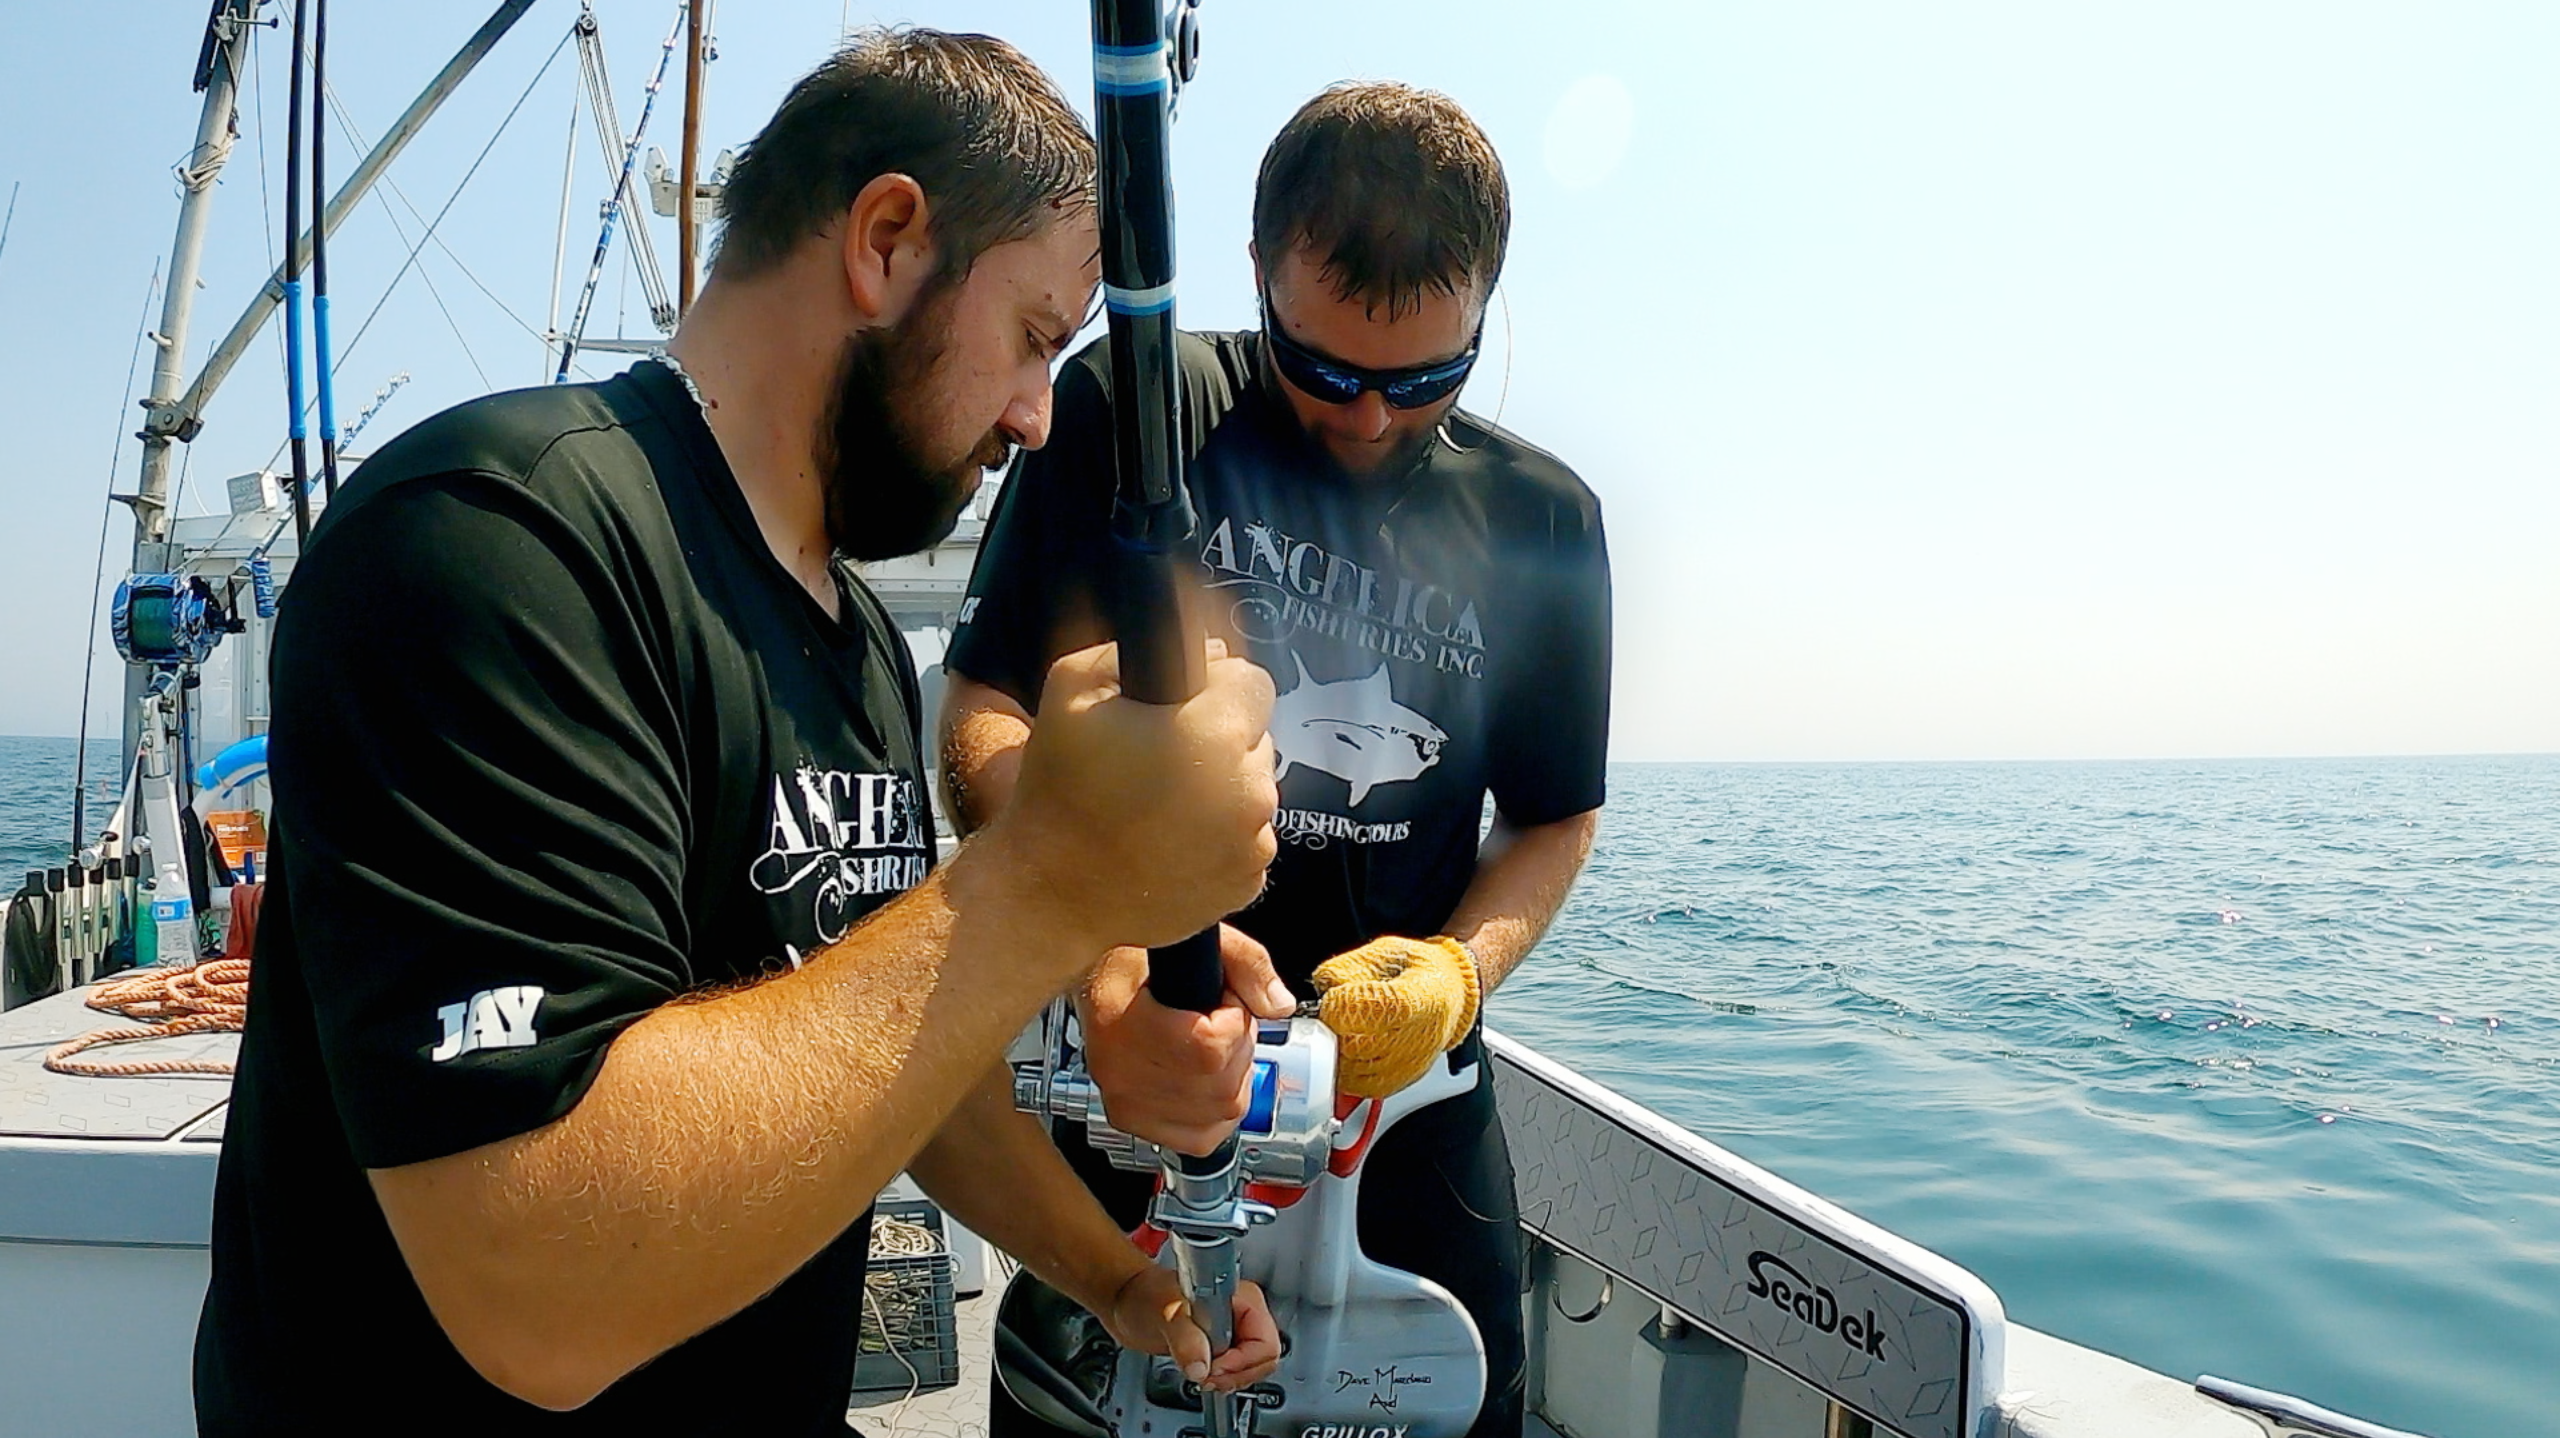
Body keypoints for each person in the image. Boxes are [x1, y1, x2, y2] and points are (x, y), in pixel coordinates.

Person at [194, 31, 1286, 1436]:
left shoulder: (861, 644)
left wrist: (1119, 1281)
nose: (1035, 417)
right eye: (1031, 338)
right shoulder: (493, 540)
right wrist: (1051, 882)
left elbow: (890, 1046)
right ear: (885, 242)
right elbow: (539, 1287)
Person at [944, 81, 1613, 1438]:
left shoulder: (1543, 521)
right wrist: (1104, 948)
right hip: (1145, 1064)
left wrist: (1456, 972)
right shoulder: (1138, 410)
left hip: (1403, 1109)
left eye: (1423, 381)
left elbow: (1555, 815)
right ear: (1260, 276)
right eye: (1324, 368)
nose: (1369, 418)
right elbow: (983, 716)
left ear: (1487, 311)